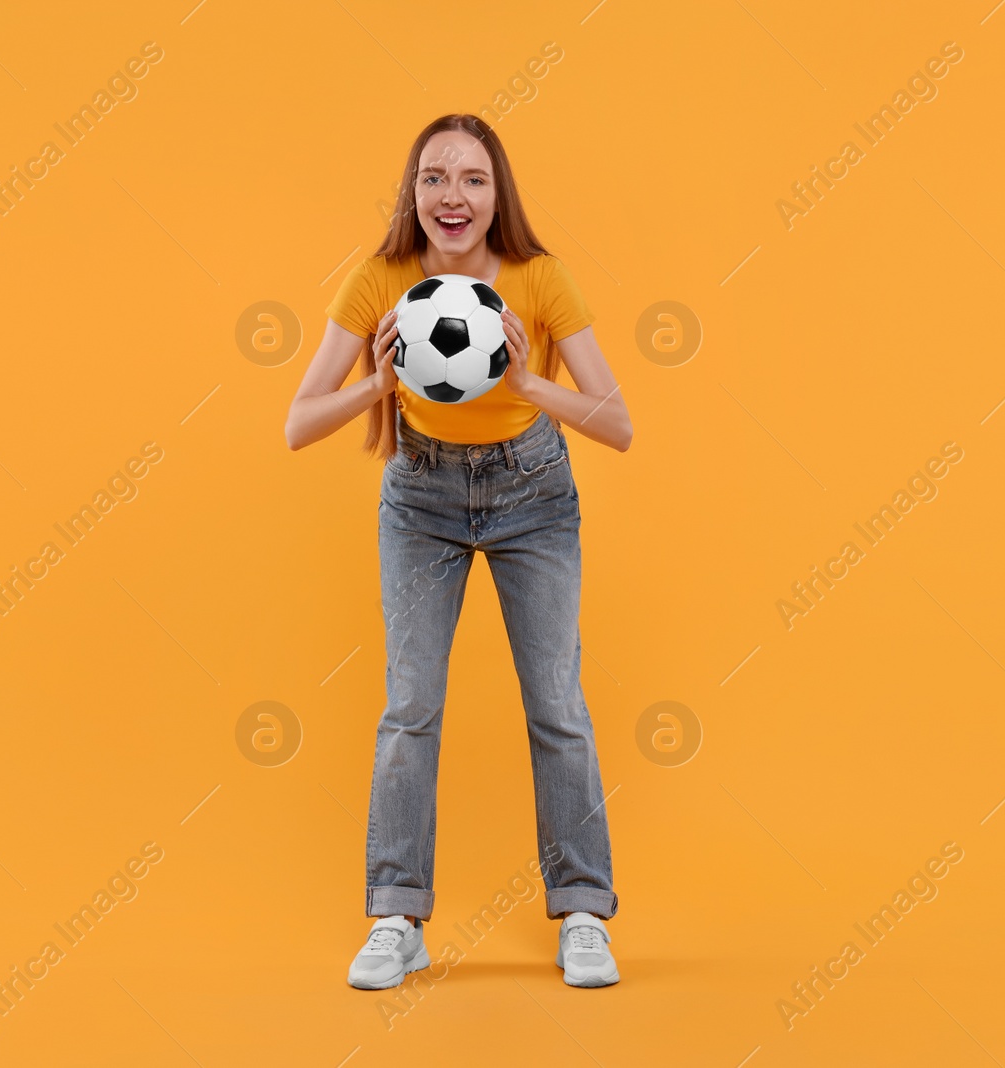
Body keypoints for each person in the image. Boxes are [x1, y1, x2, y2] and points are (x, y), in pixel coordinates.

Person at [285, 113, 632, 989]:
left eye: (473, 179)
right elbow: (297, 423)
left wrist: (523, 382)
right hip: (422, 498)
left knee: (557, 702)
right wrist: (378, 379)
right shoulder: (380, 283)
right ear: (412, 193)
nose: (453, 196)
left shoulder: (540, 281)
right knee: (411, 707)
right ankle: (396, 917)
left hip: (534, 497)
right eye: (435, 178)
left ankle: (583, 910)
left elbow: (618, 424)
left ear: (496, 195)